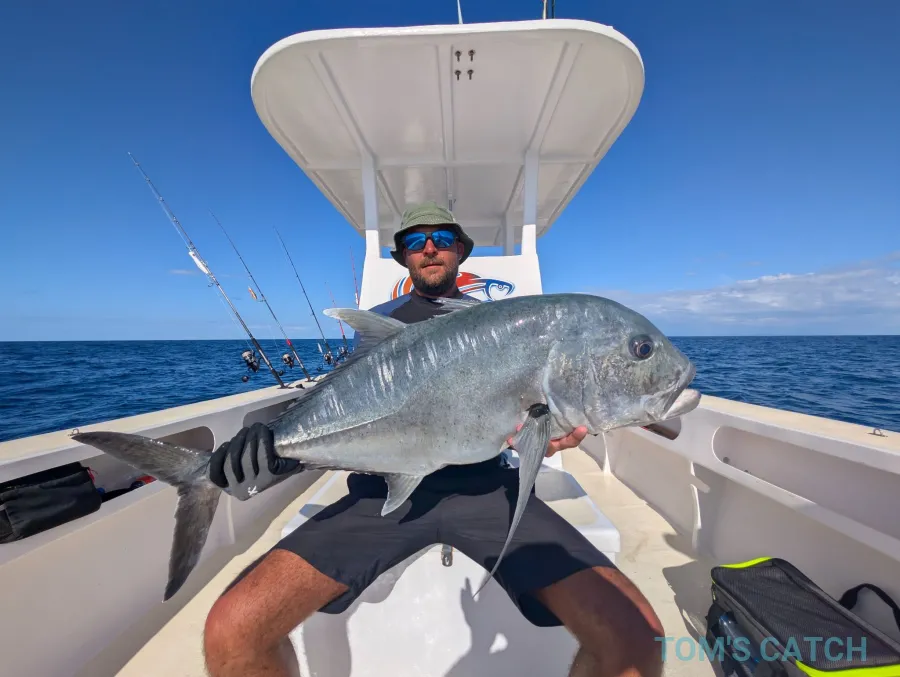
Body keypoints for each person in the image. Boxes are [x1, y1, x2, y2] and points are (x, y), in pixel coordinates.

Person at [202, 202, 665, 677]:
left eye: (442, 239)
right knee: (232, 631)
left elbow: (523, 420)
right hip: (381, 497)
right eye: (415, 241)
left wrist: (542, 436)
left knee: (637, 639)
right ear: (403, 256)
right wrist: (279, 452)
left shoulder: (500, 324)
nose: (429, 249)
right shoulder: (379, 325)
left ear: (459, 251)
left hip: (486, 492)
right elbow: (354, 417)